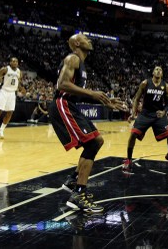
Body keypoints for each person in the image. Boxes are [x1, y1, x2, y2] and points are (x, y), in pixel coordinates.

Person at [49, 33, 125, 213]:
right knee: (93, 142)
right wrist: (92, 93)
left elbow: (77, 92)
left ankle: (74, 180)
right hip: (62, 104)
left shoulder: (81, 64)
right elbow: (62, 85)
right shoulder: (72, 58)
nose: (89, 40)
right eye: (84, 38)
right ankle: (78, 194)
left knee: (97, 141)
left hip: (70, 104)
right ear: (76, 43)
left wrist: (104, 101)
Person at [122, 66, 168, 173]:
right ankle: (129, 159)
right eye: (156, 69)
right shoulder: (145, 83)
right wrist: (133, 113)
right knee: (133, 134)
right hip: (145, 114)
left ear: (162, 74)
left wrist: (164, 112)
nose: (158, 71)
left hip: (158, 115)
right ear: (152, 72)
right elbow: (137, 98)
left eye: (160, 70)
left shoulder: (166, 86)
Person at [0, 57, 25, 139]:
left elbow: (17, 82)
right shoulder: (5, 69)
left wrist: (22, 89)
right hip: (3, 91)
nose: (14, 62)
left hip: (12, 93)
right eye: (13, 61)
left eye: (16, 61)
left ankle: (1, 131)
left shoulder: (19, 72)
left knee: (10, 112)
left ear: (18, 63)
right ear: (10, 62)